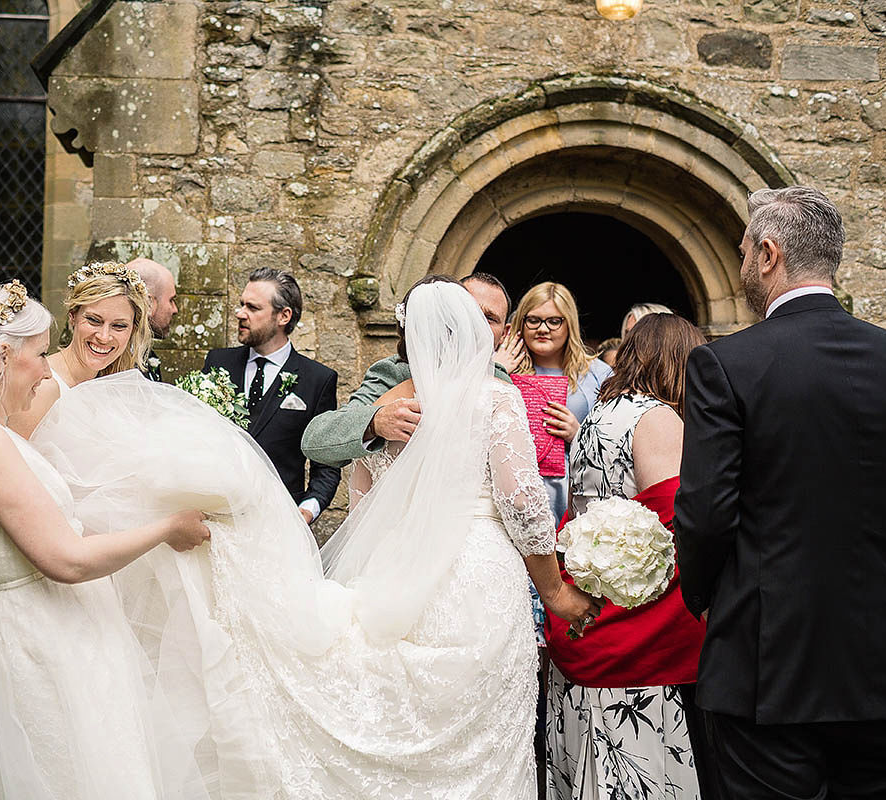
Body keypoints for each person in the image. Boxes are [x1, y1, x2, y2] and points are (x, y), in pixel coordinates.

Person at [34, 280, 602, 798]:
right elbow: (525, 505)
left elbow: (362, 500)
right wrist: (553, 590)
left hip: (402, 575)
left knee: (407, 714)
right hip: (478, 579)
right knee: (477, 728)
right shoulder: (470, 398)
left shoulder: (414, 395)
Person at [0, 282, 216, 799]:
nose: (44, 368)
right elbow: (67, 561)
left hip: (45, 625)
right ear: (3, 357)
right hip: (45, 635)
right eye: (36, 355)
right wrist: (168, 529)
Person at [675, 186, 886, 799]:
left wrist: (706, 598)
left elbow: (706, 513)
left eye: (740, 253)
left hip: (770, 661)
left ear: (767, 252)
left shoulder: (728, 365)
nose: (738, 270)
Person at [545, 313, 710, 800]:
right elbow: (675, 527)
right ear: (679, 362)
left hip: (591, 611)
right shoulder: (658, 418)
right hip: (638, 627)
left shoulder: (599, 413)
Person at [300, 272, 518, 470]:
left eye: (489, 318)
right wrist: (375, 422)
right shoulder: (397, 372)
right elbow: (315, 440)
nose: (473, 325)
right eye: (464, 313)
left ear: (504, 333)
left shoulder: (499, 379)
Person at [204, 268, 340, 525]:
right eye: (241, 304)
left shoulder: (317, 380)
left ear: (283, 316)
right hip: (218, 520)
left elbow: (326, 465)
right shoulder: (217, 362)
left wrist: (307, 511)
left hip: (280, 523)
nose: (240, 313)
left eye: (253, 308)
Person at [7, 260, 152, 438]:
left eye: (119, 326)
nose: (104, 337)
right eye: (94, 320)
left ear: (133, 330)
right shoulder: (43, 388)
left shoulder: (112, 388)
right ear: (72, 317)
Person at [508, 281, 612, 521]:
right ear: (520, 323)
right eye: (533, 320)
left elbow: (619, 440)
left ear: (569, 324)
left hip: (577, 488)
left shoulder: (597, 374)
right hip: (517, 489)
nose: (543, 329)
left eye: (554, 321)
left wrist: (579, 434)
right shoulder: (505, 369)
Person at [129, 257, 178, 380]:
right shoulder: (117, 362)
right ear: (148, 303)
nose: (175, 310)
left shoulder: (145, 354)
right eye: (171, 300)